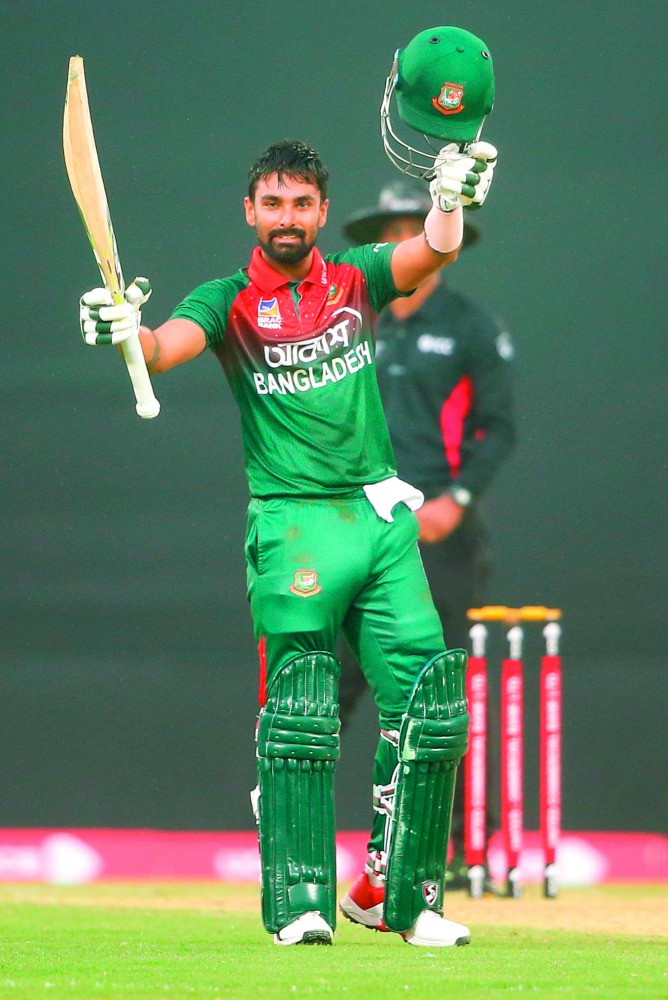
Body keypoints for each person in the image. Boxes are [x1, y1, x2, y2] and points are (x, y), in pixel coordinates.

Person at [77, 41, 498, 947]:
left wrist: (449, 199)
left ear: (320, 212)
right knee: (303, 712)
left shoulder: (354, 282)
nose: (288, 217)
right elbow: (163, 349)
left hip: (380, 520)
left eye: (302, 204)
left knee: (431, 703)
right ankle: (300, 903)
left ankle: (400, 894)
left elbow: (427, 254)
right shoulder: (226, 301)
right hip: (294, 524)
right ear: (250, 210)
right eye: (273, 203)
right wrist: (124, 330)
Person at [339, 179, 516, 890]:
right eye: (393, 229)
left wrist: (456, 501)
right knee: (332, 679)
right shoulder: (349, 318)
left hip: (437, 535)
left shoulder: (472, 326)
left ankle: (458, 843)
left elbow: (498, 428)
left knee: (436, 687)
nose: (405, 239)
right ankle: (300, 839)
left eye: (418, 227)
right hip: (351, 531)